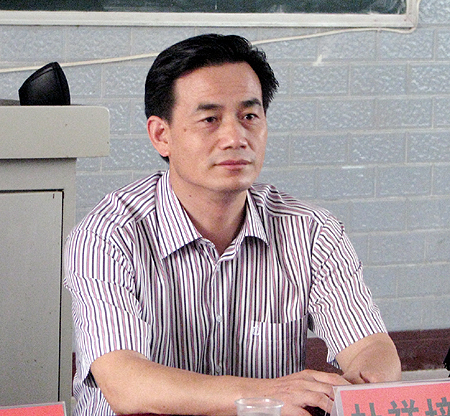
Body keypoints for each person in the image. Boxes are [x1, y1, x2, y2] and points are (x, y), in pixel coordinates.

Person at [64, 33, 401, 416]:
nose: (235, 137)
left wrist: (364, 385)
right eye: (210, 119)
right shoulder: (107, 236)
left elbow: (371, 348)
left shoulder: (313, 233)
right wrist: (270, 395)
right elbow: (127, 385)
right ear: (161, 135)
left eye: (249, 117)